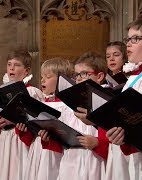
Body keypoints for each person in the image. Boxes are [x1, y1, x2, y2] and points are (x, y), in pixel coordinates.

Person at [106, 16, 142, 180]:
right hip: (127, 156)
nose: (129, 44)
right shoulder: (134, 78)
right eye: (128, 39)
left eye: (136, 38)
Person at [0, 49, 44, 180]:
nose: (11, 68)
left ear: (26, 70)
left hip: (20, 140)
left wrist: (12, 120)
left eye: (17, 65)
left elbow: (38, 118)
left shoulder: (32, 91)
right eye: (9, 64)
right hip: (3, 139)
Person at [57, 52, 109, 180]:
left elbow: (114, 137)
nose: (79, 78)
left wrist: (97, 143)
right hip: (72, 161)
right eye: (76, 75)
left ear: (100, 76)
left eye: (85, 74)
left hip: (94, 161)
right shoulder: (73, 101)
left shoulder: (106, 101)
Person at [24, 57, 73, 180]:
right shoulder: (42, 102)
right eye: (42, 76)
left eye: (48, 76)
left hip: (53, 153)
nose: (42, 80)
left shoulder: (66, 106)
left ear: (62, 79)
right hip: (38, 149)